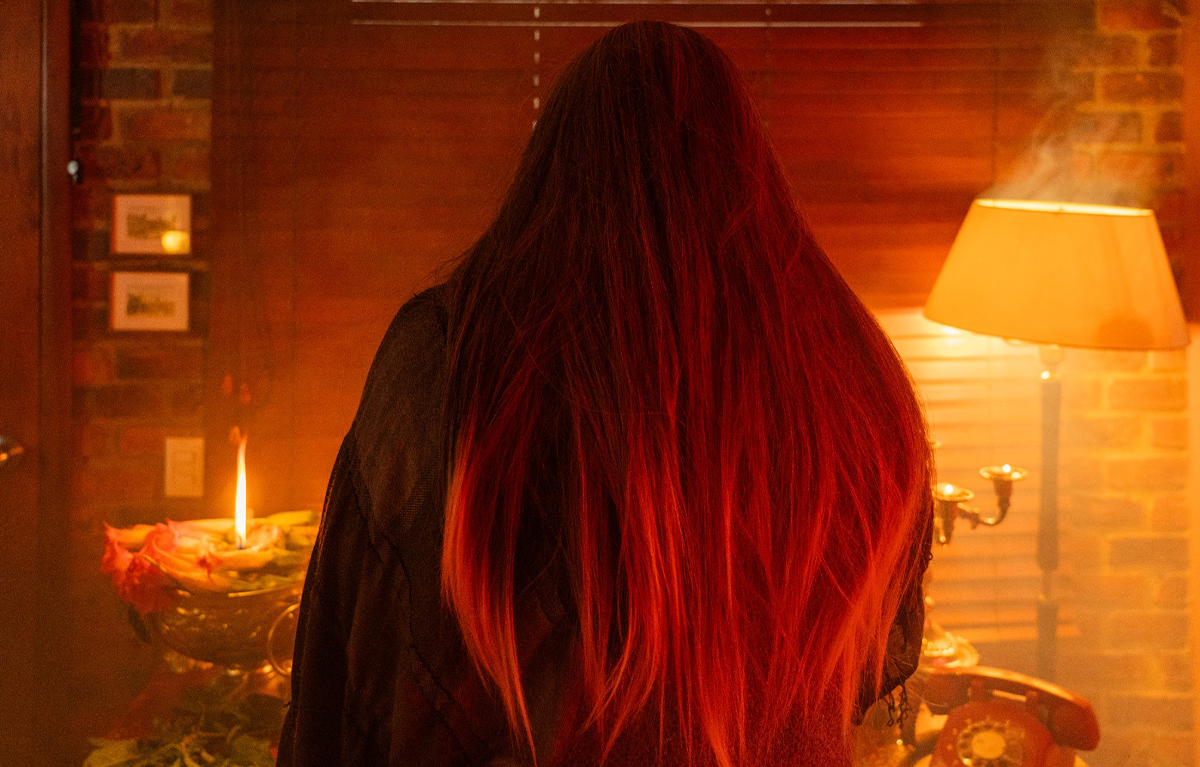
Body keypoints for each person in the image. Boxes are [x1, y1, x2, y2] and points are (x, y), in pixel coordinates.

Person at [278, 20, 933, 767]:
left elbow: (355, 641)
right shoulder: (852, 364)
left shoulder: (448, 353)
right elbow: (868, 659)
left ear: (554, 167)